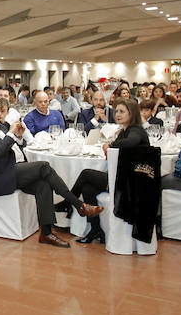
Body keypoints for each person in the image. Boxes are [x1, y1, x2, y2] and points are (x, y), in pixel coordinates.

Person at [0, 100, 101, 248]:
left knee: (43, 184)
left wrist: (18, 137)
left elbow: (10, 147)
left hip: (10, 170)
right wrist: (11, 134)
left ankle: (46, 232)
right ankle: (77, 204)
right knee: (43, 166)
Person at [59, 98, 149, 244]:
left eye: (122, 111)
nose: (117, 114)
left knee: (86, 174)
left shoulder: (136, 130)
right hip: (122, 177)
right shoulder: (124, 131)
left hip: (132, 182)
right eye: (117, 111)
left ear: (132, 113)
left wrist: (111, 144)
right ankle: (95, 229)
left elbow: (131, 142)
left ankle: (69, 203)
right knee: (88, 188)